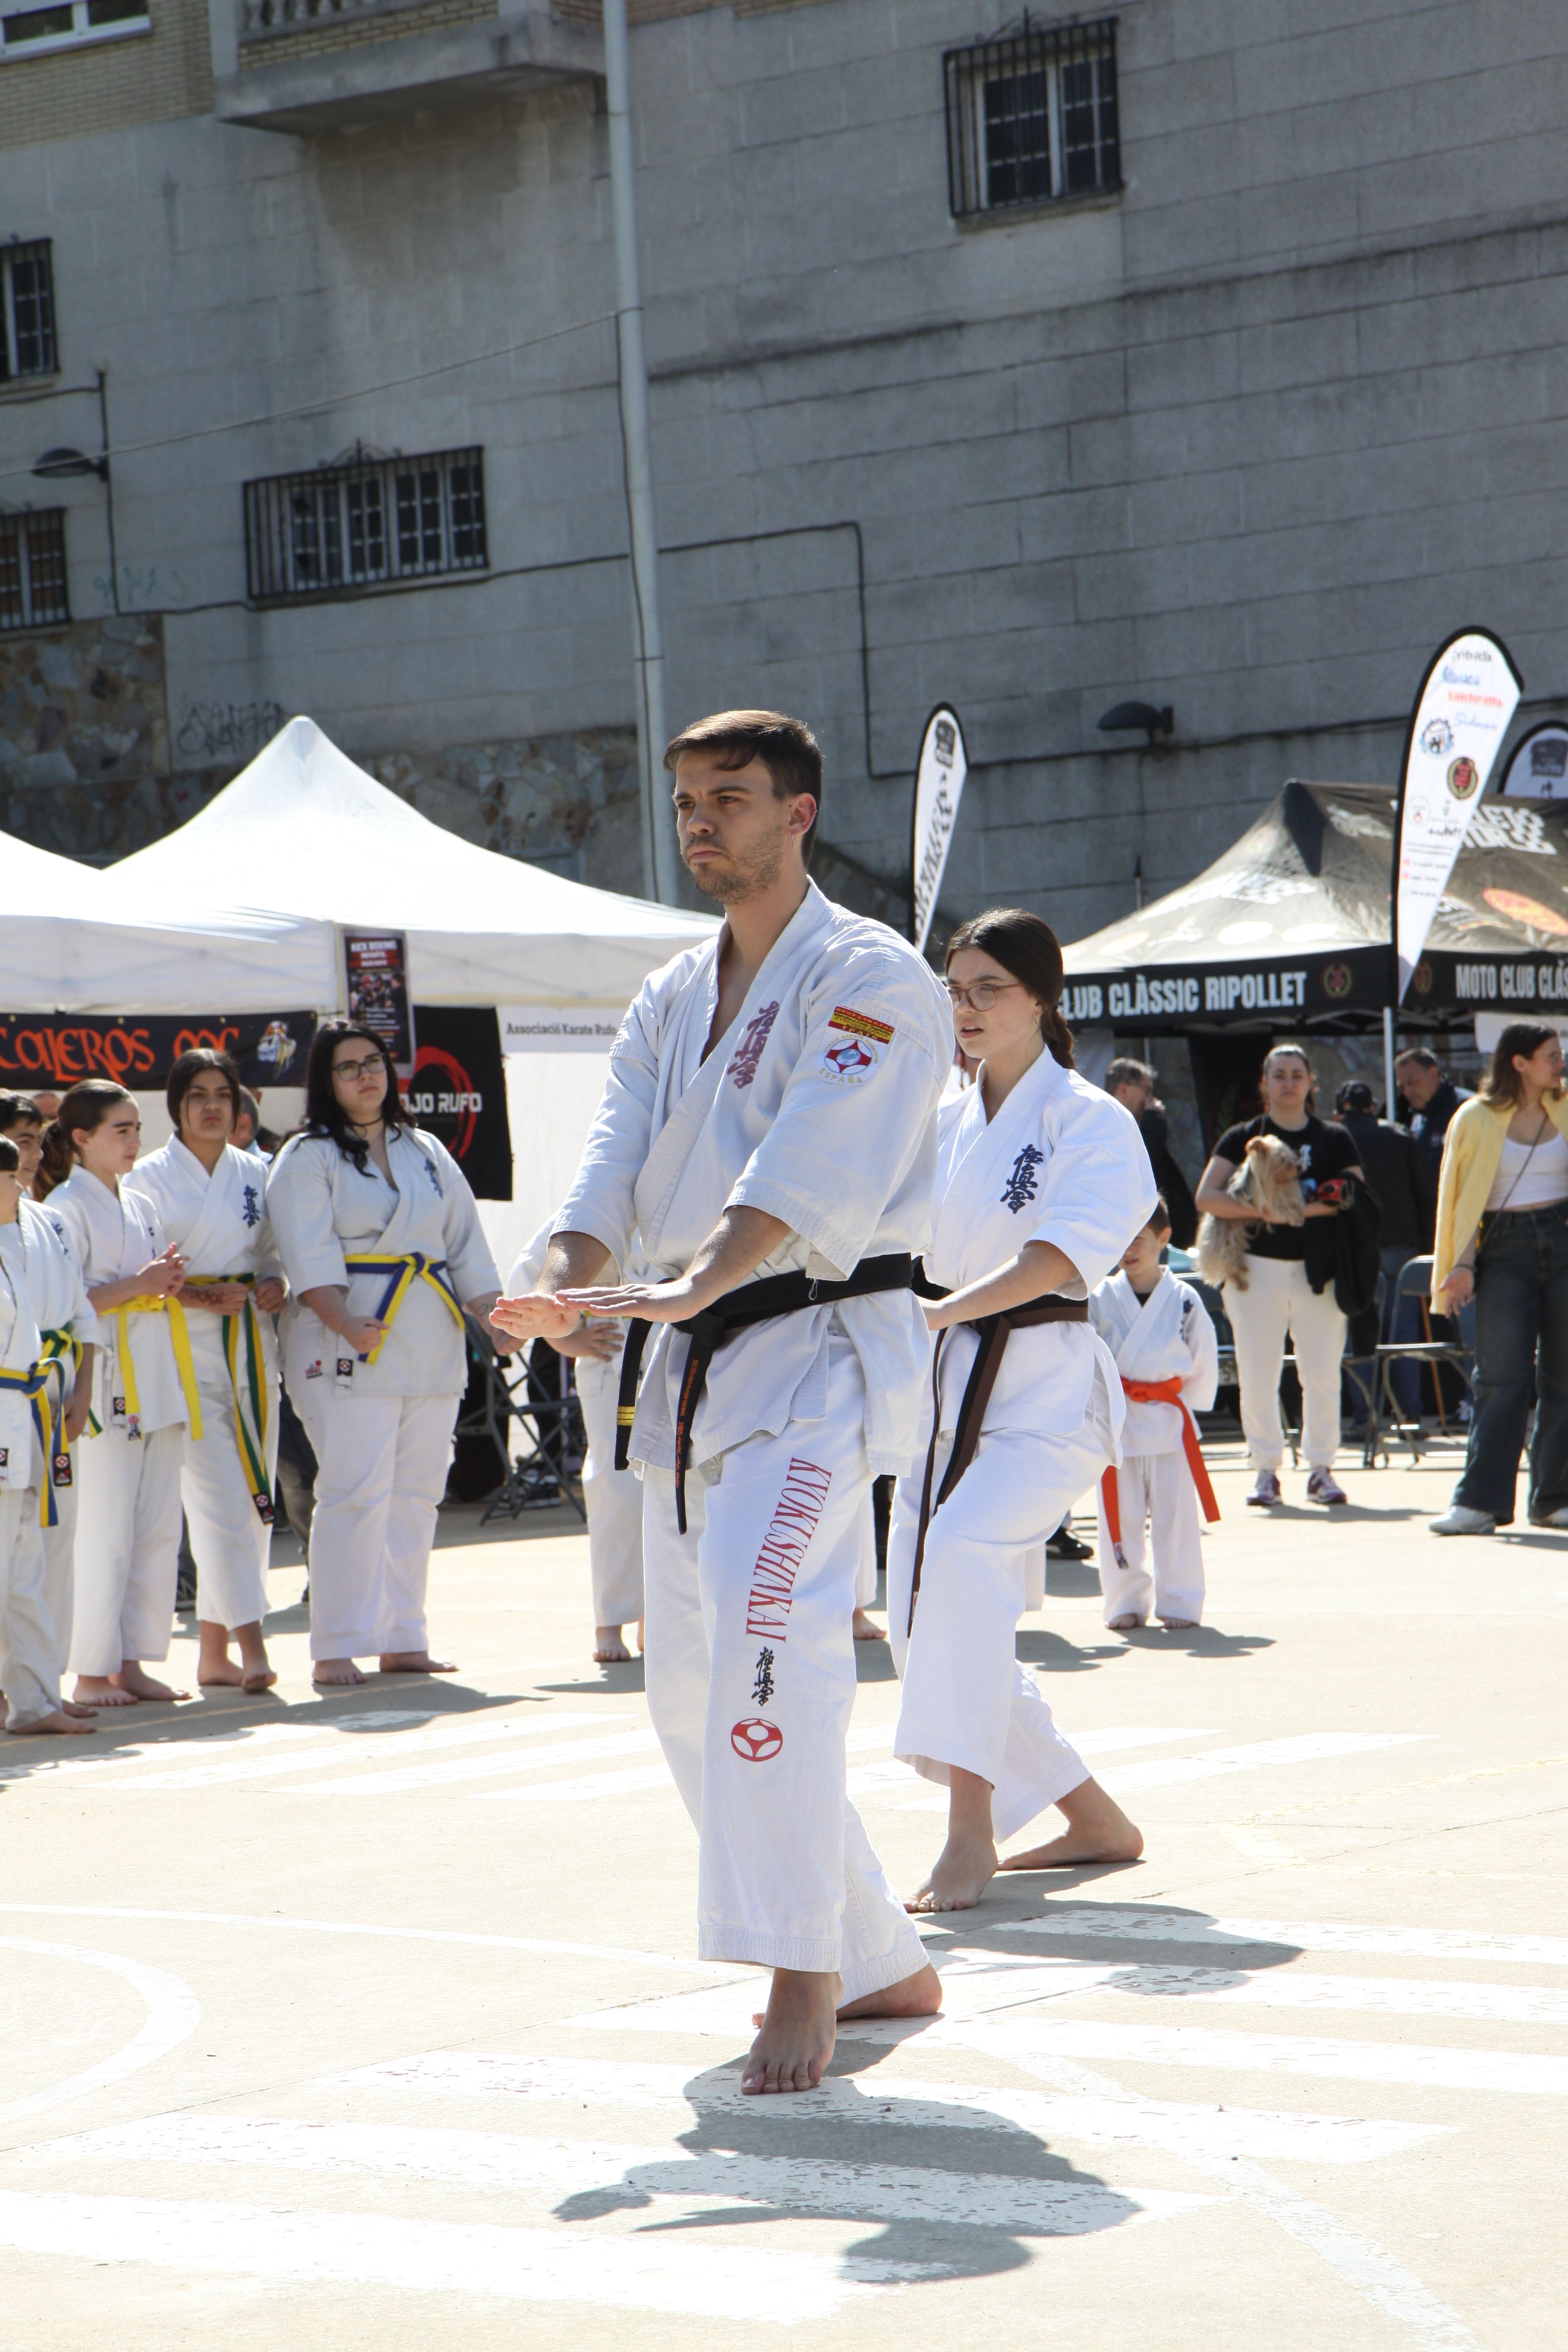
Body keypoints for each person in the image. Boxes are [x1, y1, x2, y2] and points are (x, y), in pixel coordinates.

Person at [493, 708, 949, 2096]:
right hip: (686, 1366)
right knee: (686, 1688)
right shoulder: (668, 995)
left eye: (733, 799)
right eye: (689, 799)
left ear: (799, 812)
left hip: (813, 1351)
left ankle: (804, 1974)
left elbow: (813, 1162)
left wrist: (700, 1275)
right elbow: (607, 1171)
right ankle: (879, 1952)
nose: (703, 822)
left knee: (770, 1639)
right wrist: (560, 1280)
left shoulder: (874, 975)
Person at [884, 908, 1151, 1915]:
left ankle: (971, 1831)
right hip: (943, 1386)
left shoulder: (1089, 1118)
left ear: (1041, 995)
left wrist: (949, 1307)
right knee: (922, 1612)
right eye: (955, 989)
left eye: (988, 988)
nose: (967, 1008)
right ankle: (1091, 1818)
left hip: (1045, 1390)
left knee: (957, 1564)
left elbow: (1061, 1255)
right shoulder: (943, 1119)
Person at [266, 1023, 502, 1687]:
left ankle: (403, 1635)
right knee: (354, 1487)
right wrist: (343, 1320)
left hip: (427, 1328)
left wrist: (496, 1318)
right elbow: (306, 1249)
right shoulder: (306, 1155)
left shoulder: (424, 1148)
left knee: (419, 1490)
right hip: (344, 1329)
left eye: (373, 1063)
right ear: (326, 1081)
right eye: (349, 1068)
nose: (366, 1075)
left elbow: (467, 1245)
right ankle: (336, 1642)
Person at [136, 1050, 286, 1693]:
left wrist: (278, 1280)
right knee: (222, 1499)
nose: (211, 1106)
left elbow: (278, 1250)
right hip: (180, 1351)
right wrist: (195, 1295)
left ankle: (213, 1653)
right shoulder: (147, 1178)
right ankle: (253, 1644)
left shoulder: (258, 1171)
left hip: (252, 1346)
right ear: (176, 1105)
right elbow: (132, 1271)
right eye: (197, 1094)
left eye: (222, 1093)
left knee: (255, 1499)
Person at [40, 1081, 194, 1708]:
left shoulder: (139, 1202)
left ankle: (133, 1660)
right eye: (121, 1130)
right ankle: (92, 1670)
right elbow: (69, 1303)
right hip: (99, 1378)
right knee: (104, 1528)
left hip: (154, 1364)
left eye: (136, 1128)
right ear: (82, 1138)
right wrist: (140, 1283)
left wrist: (165, 1282)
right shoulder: (64, 1207)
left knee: (156, 1526)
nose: (134, 1141)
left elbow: (147, 1282)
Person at [1195, 1044, 1365, 1508]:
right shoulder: (1244, 1136)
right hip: (1255, 1268)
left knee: (1322, 1371)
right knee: (1257, 1370)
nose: (1289, 1082)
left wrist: (1297, 1213)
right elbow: (1207, 1196)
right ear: (1265, 1085)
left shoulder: (1334, 1137)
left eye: (1297, 1074)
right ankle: (1266, 1469)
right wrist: (1259, 1210)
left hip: (1321, 1270)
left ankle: (1321, 1468)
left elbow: (1354, 1194)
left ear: (1311, 1082)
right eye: (1280, 1075)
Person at [1429, 1022, 1568, 1534]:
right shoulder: (1477, 1117)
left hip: (1563, 1235)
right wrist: (1460, 1265)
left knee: (1565, 1376)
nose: (1560, 1063)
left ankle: (1554, 1499)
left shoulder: (1567, 1105)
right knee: (1502, 1377)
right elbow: (1461, 1199)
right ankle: (1480, 1503)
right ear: (1519, 1063)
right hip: (1503, 1247)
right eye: (1551, 1056)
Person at [509, 1219, 646, 1665]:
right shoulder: (593, 1203)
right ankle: (610, 1621)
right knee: (617, 1491)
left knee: (678, 1495)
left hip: (682, 1353)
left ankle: (657, 1617)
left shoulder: (699, 1183)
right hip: (612, 1359)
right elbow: (529, 1284)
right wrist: (568, 1338)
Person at [0, 1093, 98, 1675]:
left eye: (37, 1142)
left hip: (53, 1392)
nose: (32, 1157)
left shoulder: (50, 1219)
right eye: (20, 1144)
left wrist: (83, 1388)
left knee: (49, 1544)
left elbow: (81, 1311)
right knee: (12, 1551)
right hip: (11, 1396)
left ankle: (42, 1682)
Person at [1089, 1196, 1219, 1631]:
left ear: (1164, 1239)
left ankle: (1180, 1601)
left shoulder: (1184, 1300)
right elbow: (1085, 1359)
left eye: (1139, 1239)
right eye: (1122, 1238)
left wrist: (1187, 1405)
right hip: (1119, 1423)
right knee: (1118, 1519)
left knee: (1177, 1518)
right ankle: (1124, 1601)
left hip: (1168, 1421)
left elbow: (1202, 1360)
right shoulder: (1100, 1297)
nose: (1129, 1248)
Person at [1333, 1078, 1437, 1418]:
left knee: (1357, 1332)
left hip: (1353, 1247)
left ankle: (1365, 1416)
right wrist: (1426, 1243)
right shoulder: (1399, 1137)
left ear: (1338, 1113)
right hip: (1400, 1246)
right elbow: (1425, 1195)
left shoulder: (1333, 1139)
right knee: (1403, 1334)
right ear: (1372, 1106)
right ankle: (1410, 1414)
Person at [1106, 1057, 1198, 1248]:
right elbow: (1146, 1162)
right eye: (1146, 1090)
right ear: (1123, 1089)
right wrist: (1153, 1119)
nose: (1151, 1099)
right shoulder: (1109, 1120)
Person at [1395, 1047, 1470, 1179]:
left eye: (1412, 1083)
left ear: (1433, 1073)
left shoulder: (1466, 1108)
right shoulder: (1419, 1116)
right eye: (1402, 1087)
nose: (1407, 1092)